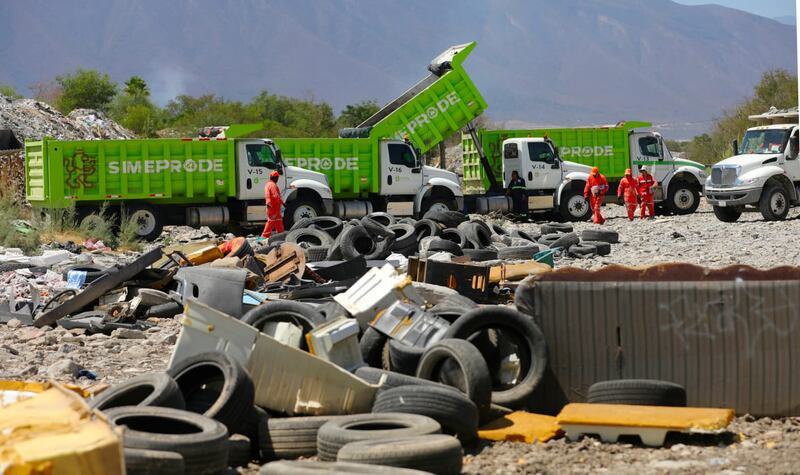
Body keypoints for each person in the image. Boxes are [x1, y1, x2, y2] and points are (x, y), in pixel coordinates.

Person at [261, 170, 284, 238]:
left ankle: (281, 234)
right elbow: (276, 196)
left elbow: (268, 195)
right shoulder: (273, 185)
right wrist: (283, 203)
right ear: (275, 178)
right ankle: (264, 236)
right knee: (271, 222)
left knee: (278, 221)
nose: (277, 179)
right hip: (274, 207)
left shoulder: (267, 184)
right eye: (277, 178)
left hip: (271, 206)